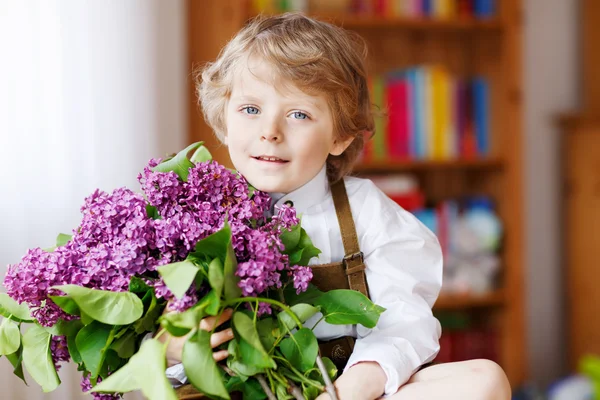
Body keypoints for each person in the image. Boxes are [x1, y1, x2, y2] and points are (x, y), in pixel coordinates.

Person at [160, 12, 511, 400]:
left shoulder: (370, 214)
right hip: (244, 390)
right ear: (224, 119)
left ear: (341, 136)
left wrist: (346, 392)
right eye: (251, 109)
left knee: (485, 378)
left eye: (299, 114)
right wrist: (174, 346)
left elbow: (404, 325)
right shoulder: (195, 213)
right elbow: (162, 353)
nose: (270, 131)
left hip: (348, 389)